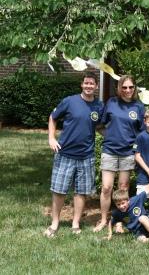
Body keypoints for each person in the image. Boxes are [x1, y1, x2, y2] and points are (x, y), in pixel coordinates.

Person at [44, 73, 103, 237]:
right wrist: (51, 138)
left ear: (96, 86)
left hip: (86, 155)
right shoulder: (70, 101)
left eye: (92, 84)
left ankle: (75, 223)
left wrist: (116, 138)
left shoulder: (99, 106)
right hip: (65, 153)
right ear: (82, 85)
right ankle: (54, 223)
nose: (89, 86)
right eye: (86, 83)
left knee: (81, 191)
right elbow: (53, 117)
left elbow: (99, 127)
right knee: (59, 190)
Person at [94, 75, 145, 232]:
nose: (127, 90)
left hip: (128, 152)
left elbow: (142, 133)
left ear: (134, 88)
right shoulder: (112, 103)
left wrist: (135, 145)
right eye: (124, 87)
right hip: (109, 151)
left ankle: (118, 221)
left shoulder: (139, 106)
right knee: (107, 187)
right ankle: (103, 220)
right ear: (119, 88)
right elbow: (99, 125)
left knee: (123, 188)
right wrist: (109, 136)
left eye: (130, 87)